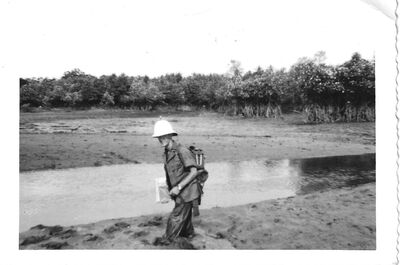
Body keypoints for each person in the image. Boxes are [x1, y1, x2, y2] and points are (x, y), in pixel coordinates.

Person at [152, 119, 201, 244]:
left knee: (175, 219)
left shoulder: (182, 150)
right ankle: (190, 235)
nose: (161, 139)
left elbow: (194, 172)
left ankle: (169, 241)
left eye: (163, 136)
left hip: (187, 192)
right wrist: (167, 188)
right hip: (179, 193)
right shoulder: (167, 153)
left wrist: (178, 187)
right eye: (159, 137)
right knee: (185, 221)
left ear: (170, 135)